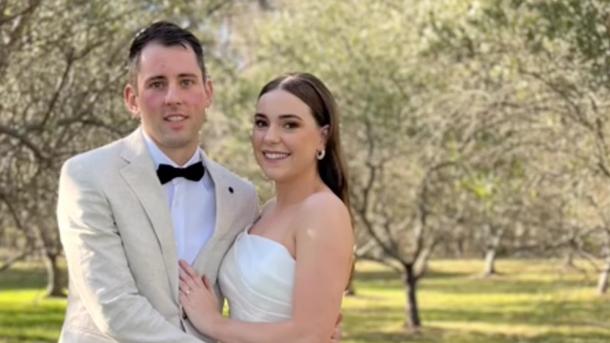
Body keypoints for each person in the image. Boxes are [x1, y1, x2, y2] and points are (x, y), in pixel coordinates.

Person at [56, 21, 259, 342]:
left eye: (186, 81)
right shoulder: (85, 176)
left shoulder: (242, 197)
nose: (172, 97)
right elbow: (113, 305)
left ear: (207, 92)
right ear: (132, 98)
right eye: (156, 84)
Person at [178, 72, 354, 342]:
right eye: (262, 123)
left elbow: (310, 335)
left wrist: (213, 322)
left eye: (290, 125)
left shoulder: (322, 211)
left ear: (323, 137)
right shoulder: (265, 210)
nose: (270, 137)